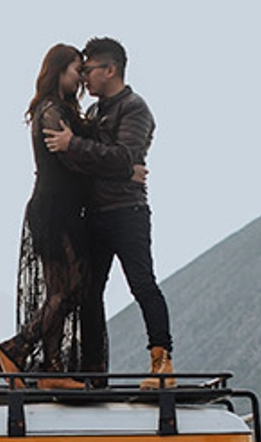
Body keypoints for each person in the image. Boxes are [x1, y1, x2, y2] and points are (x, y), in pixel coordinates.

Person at [43, 36, 174, 387]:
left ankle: (162, 364)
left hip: (127, 211)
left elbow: (120, 155)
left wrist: (76, 144)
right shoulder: (96, 112)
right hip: (95, 214)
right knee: (88, 293)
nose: (84, 78)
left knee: (142, 284)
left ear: (110, 69)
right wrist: (115, 164)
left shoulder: (135, 108)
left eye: (88, 70)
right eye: (81, 71)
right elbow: (92, 162)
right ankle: (92, 372)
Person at [0, 44, 95, 390]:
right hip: (54, 208)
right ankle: (16, 349)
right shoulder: (51, 111)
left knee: (66, 289)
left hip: (60, 207)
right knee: (63, 290)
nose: (80, 76)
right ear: (59, 70)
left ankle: (51, 368)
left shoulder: (60, 110)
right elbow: (70, 161)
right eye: (76, 69)